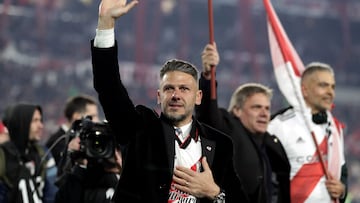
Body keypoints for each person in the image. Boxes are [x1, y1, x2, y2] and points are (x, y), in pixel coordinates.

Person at [90, 0, 247, 202]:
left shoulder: (220, 144)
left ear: (198, 97)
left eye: (184, 89)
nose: (176, 95)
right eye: (169, 88)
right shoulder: (140, 130)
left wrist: (214, 193)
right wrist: (105, 25)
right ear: (158, 96)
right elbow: (108, 87)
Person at [196, 43, 290, 203]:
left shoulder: (271, 143)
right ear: (237, 110)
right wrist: (207, 76)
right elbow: (208, 114)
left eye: (267, 108)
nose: (264, 113)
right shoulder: (229, 128)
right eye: (256, 107)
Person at [268, 62, 348, 203]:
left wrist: (342, 190)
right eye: (323, 85)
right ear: (304, 90)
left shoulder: (335, 127)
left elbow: (342, 173)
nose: (330, 92)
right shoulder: (279, 125)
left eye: (332, 87)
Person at [0, 103, 58, 203]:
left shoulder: (44, 154)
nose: (41, 125)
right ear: (21, 123)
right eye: (35, 121)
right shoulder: (3, 156)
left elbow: (51, 195)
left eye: (40, 120)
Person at [54, 120, 123, 203]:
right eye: (94, 144)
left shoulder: (126, 180)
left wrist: (123, 172)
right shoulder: (80, 178)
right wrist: (73, 159)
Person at [45, 94, 100, 167]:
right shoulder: (56, 142)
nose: (97, 120)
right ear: (77, 117)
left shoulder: (89, 138)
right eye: (92, 116)